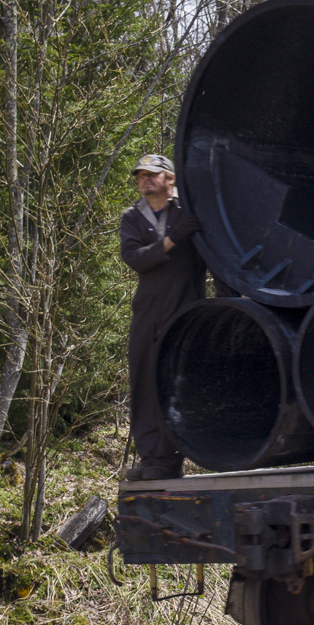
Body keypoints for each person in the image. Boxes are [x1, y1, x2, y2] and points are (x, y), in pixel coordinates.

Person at [119, 153, 206, 481]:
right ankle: (153, 459)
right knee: (144, 381)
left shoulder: (188, 212)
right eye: (141, 175)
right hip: (147, 311)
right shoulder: (133, 217)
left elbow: (212, 254)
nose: (145, 180)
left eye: (152, 174)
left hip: (184, 309)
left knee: (177, 381)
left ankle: (176, 456)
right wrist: (171, 240)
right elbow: (135, 258)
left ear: (170, 179)